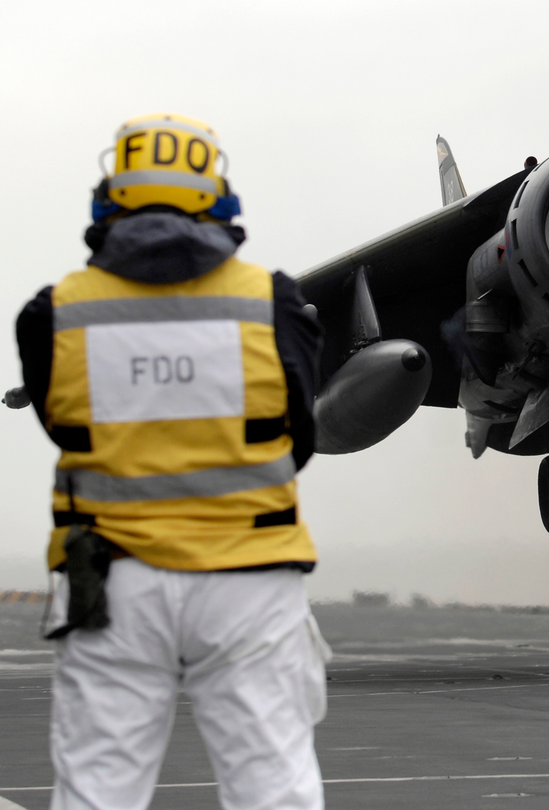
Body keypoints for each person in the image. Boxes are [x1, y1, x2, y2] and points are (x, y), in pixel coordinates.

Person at [15, 113, 329, 810]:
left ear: (110, 198)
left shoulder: (51, 315)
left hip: (112, 582)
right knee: (273, 789)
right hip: (249, 579)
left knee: (97, 790)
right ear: (218, 197)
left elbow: (59, 424)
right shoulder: (274, 303)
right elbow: (299, 439)